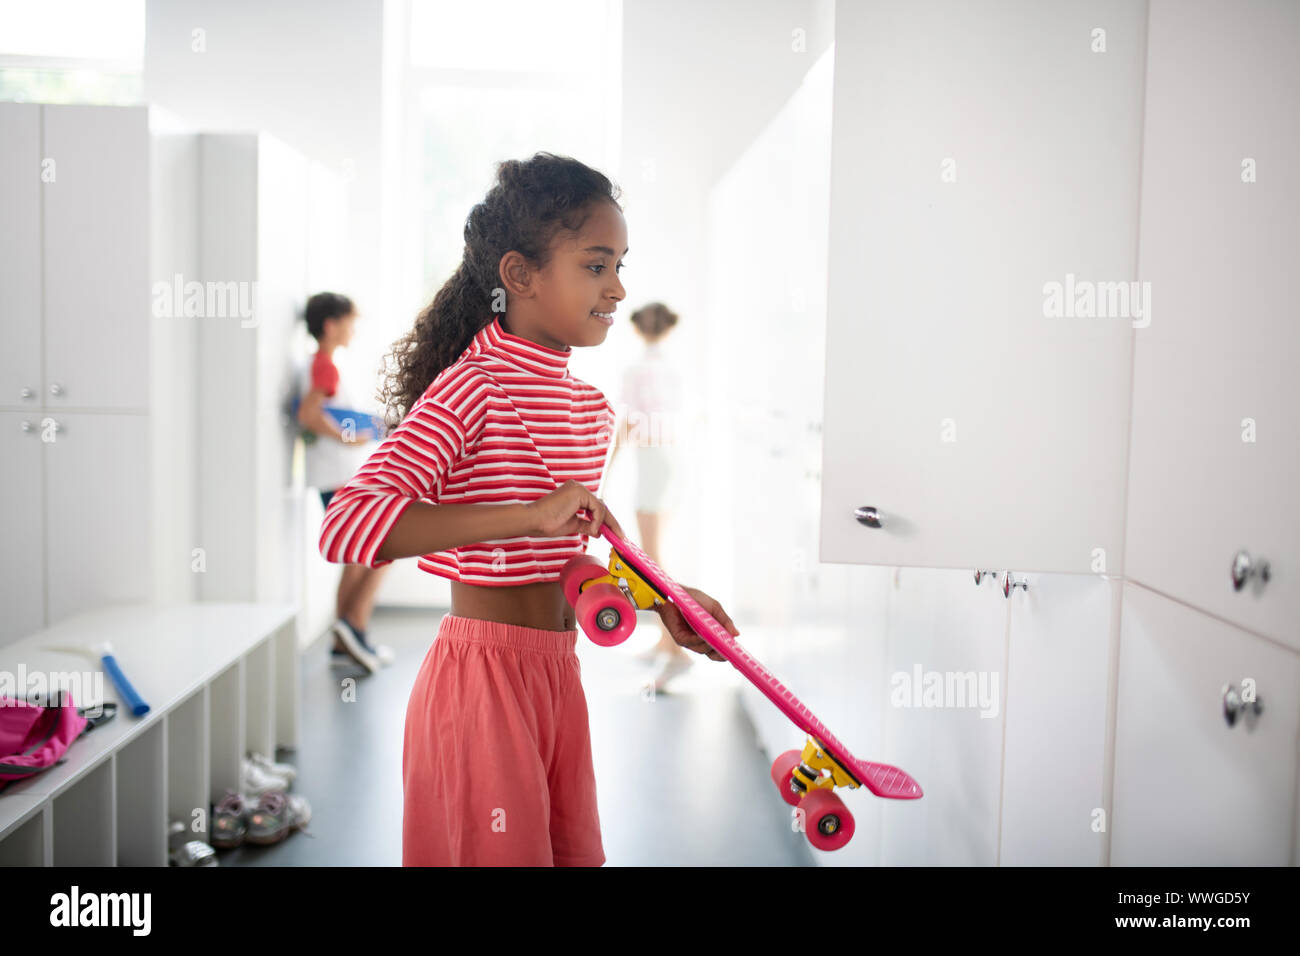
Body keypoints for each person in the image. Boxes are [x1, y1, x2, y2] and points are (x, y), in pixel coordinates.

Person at [318, 152, 738, 867]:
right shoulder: (470, 389)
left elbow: (572, 559)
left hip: (556, 674)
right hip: (481, 684)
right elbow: (346, 524)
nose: (618, 288)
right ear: (519, 275)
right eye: (596, 265)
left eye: (620, 265)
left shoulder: (589, 408)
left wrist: (665, 600)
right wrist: (526, 514)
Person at [297, 292, 394, 674]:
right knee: (379, 549)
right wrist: (351, 437)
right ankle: (351, 632)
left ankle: (347, 640)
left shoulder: (320, 365)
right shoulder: (324, 366)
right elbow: (309, 414)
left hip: (336, 477)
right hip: (338, 478)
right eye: (350, 321)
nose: (354, 330)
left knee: (362, 555)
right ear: (331, 325)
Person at [608, 302, 688, 691]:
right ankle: (665, 640)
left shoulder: (637, 370)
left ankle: (675, 647)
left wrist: (605, 472)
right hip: (668, 460)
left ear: (639, 330)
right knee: (658, 555)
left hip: (653, 462)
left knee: (653, 561)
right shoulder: (671, 370)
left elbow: (626, 421)